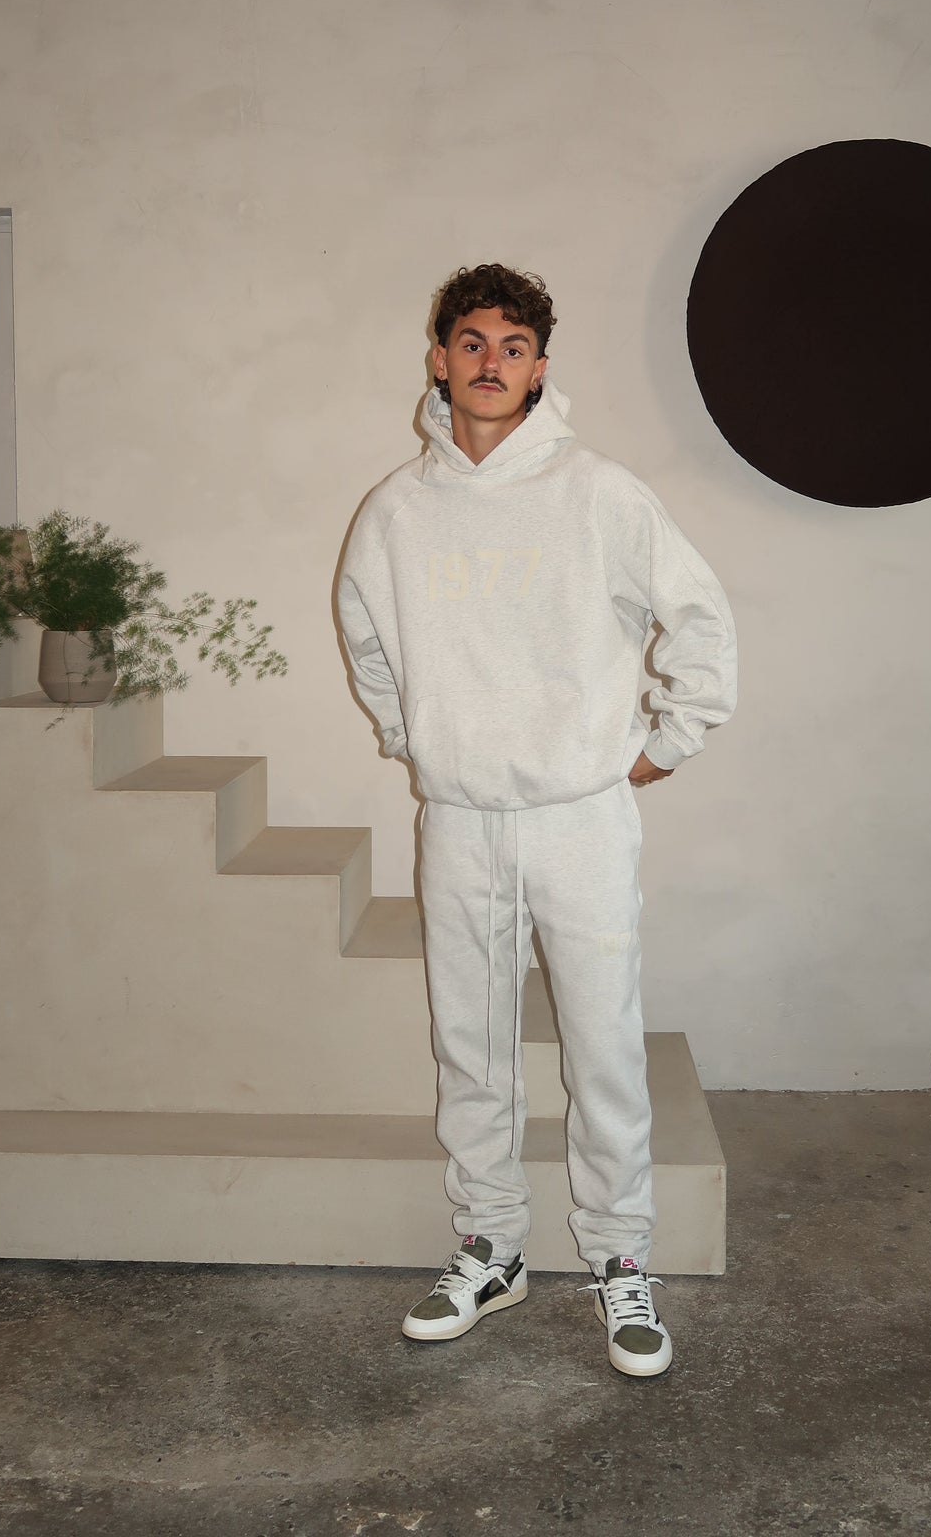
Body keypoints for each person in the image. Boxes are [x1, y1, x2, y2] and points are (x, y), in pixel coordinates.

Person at [337, 262, 738, 1377]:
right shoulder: (395, 511)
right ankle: (491, 1247)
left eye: (513, 347)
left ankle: (620, 1258)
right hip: (460, 819)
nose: (490, 362)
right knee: (471, 1049)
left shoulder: (599, 492)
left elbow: (698, 618)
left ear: (540, 368)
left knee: (602, 1044)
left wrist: (666, 742)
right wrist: (418, 743)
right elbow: (367, 642)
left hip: (578, 818)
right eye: (471, 341)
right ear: (439, 358)